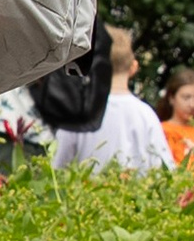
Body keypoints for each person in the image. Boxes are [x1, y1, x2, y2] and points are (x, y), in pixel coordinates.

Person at [51, 23, 175, 173]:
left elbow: (57, 170)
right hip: (136, 194)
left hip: (84, 194)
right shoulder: (146, 115)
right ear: (134, 67)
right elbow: (164, 169)